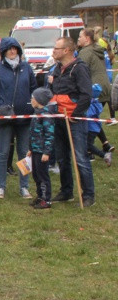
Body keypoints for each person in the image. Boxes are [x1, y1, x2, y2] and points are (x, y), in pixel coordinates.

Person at [0, 37, 37, 200]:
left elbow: (33, 89)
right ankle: (1, 187)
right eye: (9, 49)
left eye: (15, 48)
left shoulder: (27, 68)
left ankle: (24, 187)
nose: (13, 51)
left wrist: (31, 104)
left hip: (24, 118)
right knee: (3, 153)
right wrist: (3, 106)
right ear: (3, 51)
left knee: (24, 153)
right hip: (4, 118)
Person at [49, 37, 96, 206]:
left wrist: (75, 115)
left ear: (66, 50)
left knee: (80, 158)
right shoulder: (57, 68)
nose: (53, 51)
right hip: (58, 118)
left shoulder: (79, 68)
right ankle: (66, 191)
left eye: (56, 48)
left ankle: (88, 195)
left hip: (75, 120)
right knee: (62, 158)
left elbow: (86, 95)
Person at [77, 28, 114, 155]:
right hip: (105, 85)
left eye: (80, 37)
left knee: (89, 118)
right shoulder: (97, 49)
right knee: (94, 118)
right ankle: (105, 145)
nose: (78, 39)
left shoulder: (85, 52)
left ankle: (89, 150)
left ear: (87, 39)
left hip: (95, 88)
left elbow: (81, 71)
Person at [26, 88, 56, 209]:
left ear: (39, 100)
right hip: (35, 150)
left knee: (43, 175)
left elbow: (49, 134)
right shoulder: (36, 113)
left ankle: (46, 199)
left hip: (42, 151)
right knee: (36, 175)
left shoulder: (46, 115)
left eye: (32, 97)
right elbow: (33, 133)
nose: (31, 100)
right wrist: (30, 148)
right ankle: (40, 196)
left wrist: (47, 152)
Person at [86, 84, 112, 166]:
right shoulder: (96, 102)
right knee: (87, 144)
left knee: (88, 144)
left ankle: (104, 155)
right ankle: (89, 155)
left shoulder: (92, 104)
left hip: (92, 128)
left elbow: (87, 114)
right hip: (94, 127)